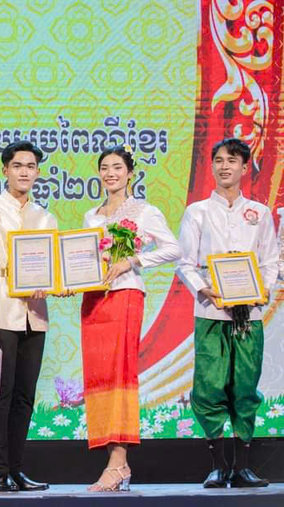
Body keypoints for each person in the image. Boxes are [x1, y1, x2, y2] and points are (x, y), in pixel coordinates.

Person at [79, 145, 180, 491]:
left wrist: (133, 261)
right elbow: (83, 259)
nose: (110, 173)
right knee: (99, 377)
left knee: (120, 374)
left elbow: (173, 248)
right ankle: (114, 461)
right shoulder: (91, 216)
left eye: (117, 168)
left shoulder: (144, 211)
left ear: (130, 173)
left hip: (125, 295)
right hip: (94, 298)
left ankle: (118, 462)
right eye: (105, 168)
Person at [176, 138, 275, 488]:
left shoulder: (260, 213)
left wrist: (263, 289)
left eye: (232, 160)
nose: (224, 166)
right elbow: (184, 263)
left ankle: (242, 467)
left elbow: (270, 261)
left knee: (245, 388)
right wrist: (203, 289)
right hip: (211, 313)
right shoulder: (197, 212)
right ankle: (218, 466)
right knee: (208, 388)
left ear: (245, 167)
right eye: (218, 160)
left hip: (249, 315)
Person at [0, 140, 54, 492]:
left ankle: (17, 470)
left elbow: (52, 265)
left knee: (25, 397)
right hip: (0, 312)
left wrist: (54, 284)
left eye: (30, 166)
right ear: (5, 170)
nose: (24, 172)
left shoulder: (45, 216)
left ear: (38, 172)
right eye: (17, 166)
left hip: (35, 316)